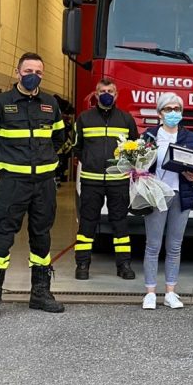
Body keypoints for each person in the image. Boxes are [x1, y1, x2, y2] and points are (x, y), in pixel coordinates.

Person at [0, 52, 67, 318]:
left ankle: (40, 293)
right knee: (2, 236)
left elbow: (59, 138)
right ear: (17, 73)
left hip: (44, 184)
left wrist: (46, 160)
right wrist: (6, 161)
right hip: (12, 183)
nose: (33, 76)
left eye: (38, 72)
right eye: (28, 71)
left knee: (42, 236)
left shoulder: (50, 104)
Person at [139, 93, 193, 309]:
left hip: (180, 195)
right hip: (157, 195)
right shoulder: (148, 136)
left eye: (177, 109)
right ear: (159, 113)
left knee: (175, 246)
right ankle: (150, 292)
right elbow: (137, 165)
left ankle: (170, 292)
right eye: (168, 109)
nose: (173, 113)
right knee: (153, 245)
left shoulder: (189, 137)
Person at [72, 77, 137, 281]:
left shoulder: (126, 120)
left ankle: (124, 265)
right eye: (102, 91)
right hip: (91, 181)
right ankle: (82, 265)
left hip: (118, 181)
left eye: (110, 91)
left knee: (120, 223)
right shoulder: (84, 118)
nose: (106, 95)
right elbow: (77, 147)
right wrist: (91, 162)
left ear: (116, 95)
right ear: (96, 94)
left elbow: (134, 148)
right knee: (87, 223)